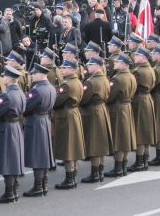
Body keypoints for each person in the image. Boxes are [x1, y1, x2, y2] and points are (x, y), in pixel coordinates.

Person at [22, 64, 56, 197]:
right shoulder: (51, 88)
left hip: (35, 122)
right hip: (45, 120)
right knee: (44, 153)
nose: (32, 76)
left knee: (37, 155)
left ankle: (38, 186)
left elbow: (26, 107)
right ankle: (44, 184)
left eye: (34, 74)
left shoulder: (36, 90)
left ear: (41, 74)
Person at [0, 66, 26, 203]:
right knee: (14, 159)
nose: (3, 78)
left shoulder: (7, 95)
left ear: (9, 78)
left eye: (5, 76)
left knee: (7, 160)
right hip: (16, 126)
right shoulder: (20, 92)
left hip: (6, 128)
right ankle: (13, 190)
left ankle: (9, 193)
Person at [80, 56, 114, 183]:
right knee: (101, 143)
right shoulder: (105, 79)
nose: (88, 67)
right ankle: (100, 172)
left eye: (90, 65)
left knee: (94, 144)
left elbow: (83, 99)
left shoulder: (91, 82)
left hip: (93, 112)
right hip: (102, 110)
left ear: (97, 66)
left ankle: (95, 174)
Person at [53, 59, 86, 189]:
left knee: (68, 149)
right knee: (74, 147)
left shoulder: (66, 85)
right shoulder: (77, 81)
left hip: (66, 116)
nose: (62, 70)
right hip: (74, 113)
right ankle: (73, 176)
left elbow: (56, 101)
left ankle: (69, 179)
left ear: (72, 69)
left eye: (65, 68)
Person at [104, 53, 137, 177]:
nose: (115, 63)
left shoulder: (117, 79)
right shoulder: (131, 76)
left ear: (123, 64)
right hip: (127, 107)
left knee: (119, 139)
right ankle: (123, 165)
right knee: (125, 137)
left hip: (118, 109)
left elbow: (110, 96)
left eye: (117, 62)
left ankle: (118, 168)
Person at [129, 47, 157, 172]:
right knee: (146, 130)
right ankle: (145, 159)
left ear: (143, 57)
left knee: (140, 131)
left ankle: (140, 161)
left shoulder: (138, 71)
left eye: (137, 55)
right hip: (148, 98)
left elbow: (132, 88)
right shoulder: (151, 68)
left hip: (139, 100)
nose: (134, 57)